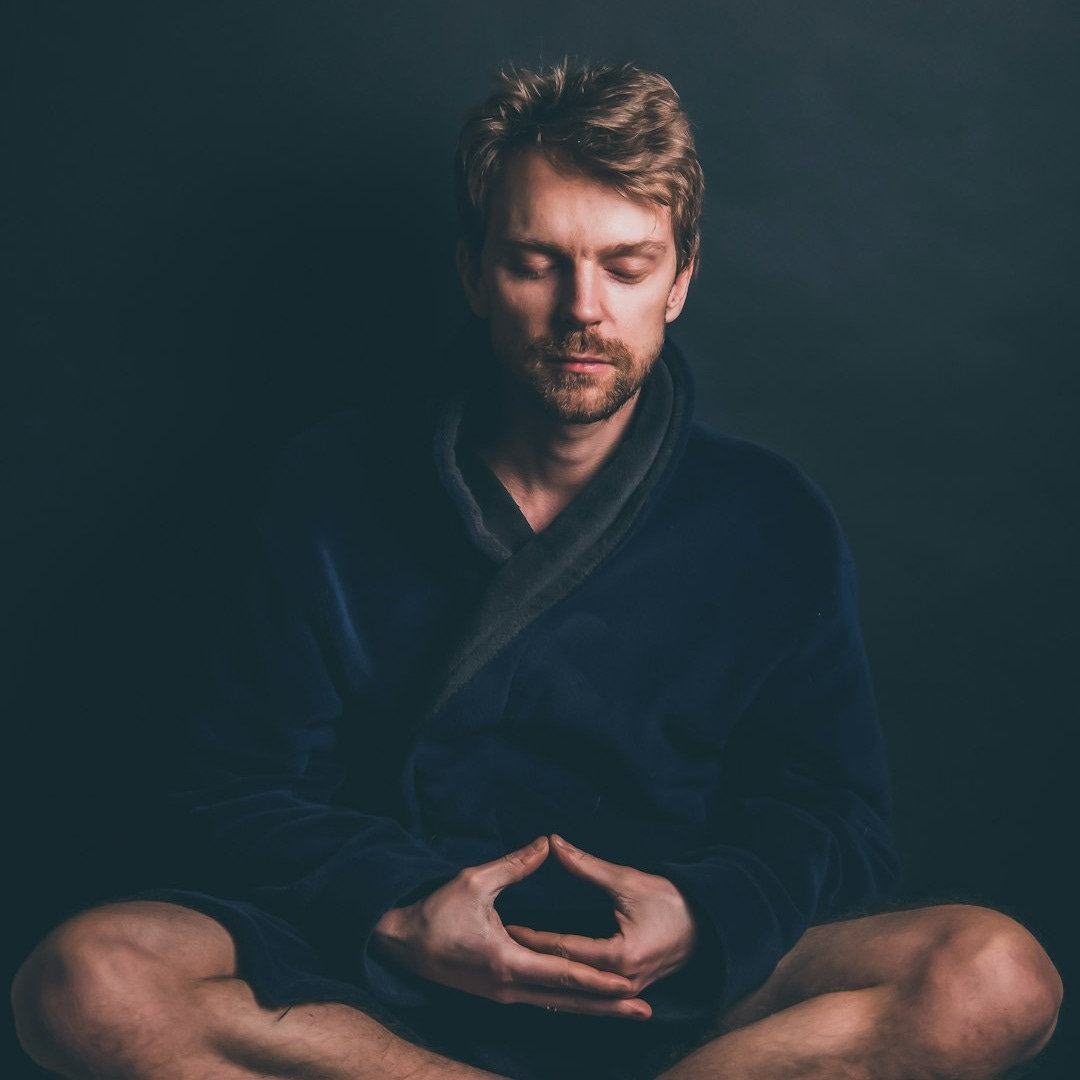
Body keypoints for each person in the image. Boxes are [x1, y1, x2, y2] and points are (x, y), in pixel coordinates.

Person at [11, 60, 1061, 1080]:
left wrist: (699, 917)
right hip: (386, 980)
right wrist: (400, 909)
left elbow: (841, 826)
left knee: (996, 977)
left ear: (681, 280)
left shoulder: (770, 516)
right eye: (536, 260)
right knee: (85, 983)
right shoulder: (330, 485)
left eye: (625, 263)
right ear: (474, 273)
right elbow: (228, 793)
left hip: (672, 987)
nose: (582, 310)